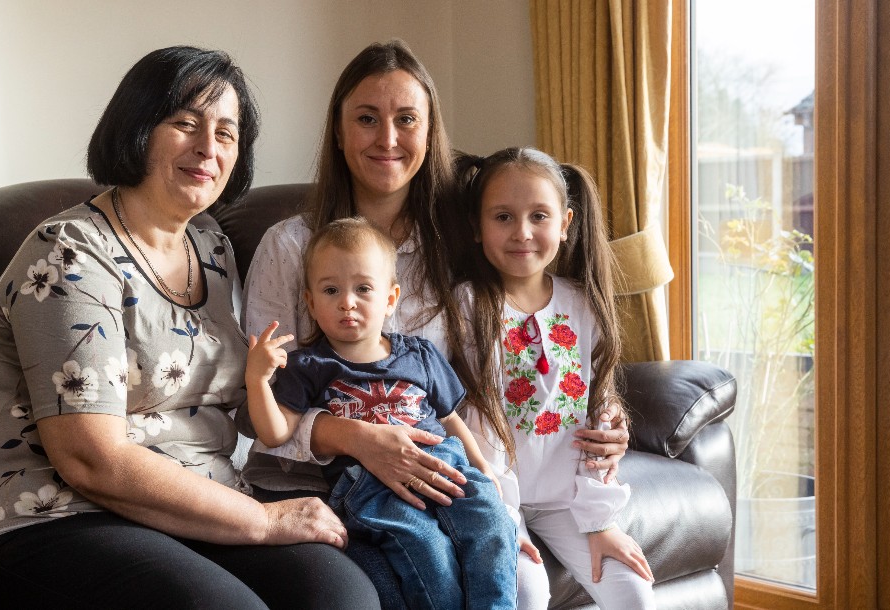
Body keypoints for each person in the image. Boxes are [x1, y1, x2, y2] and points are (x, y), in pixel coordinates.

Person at [0, 46, 379, 610]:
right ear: (137, 129)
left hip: (200, 506)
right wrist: (259, 520)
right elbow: (90, 460)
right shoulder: (69, 254)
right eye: (185, 123)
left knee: (340, 595)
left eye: (227, 133)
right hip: (54, 514)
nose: (208, 147)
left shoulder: (213, 248)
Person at [239, 38, 631, 606]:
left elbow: (549, 323)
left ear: (429, 130)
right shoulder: (289, 245)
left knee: (512, 577)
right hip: (322, 483)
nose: (387, 139)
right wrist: (360, 439)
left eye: (406, 120)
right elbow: (263, 406)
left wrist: (605, 407)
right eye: (367, 119)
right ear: (339, 128)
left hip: (448, 468)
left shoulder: (464, 241)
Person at [246, 217, 517, 609]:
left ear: (390, 299)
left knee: (492, 524)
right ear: (310, 302)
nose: (347, 302)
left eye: (363, 289)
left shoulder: (420, 355)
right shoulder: (309, 366)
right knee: (427, 550)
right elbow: (275, 433)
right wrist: (257, 380)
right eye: (331, 290)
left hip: (445, 465)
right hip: (368, 486)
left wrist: (483, 468)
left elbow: (450, 420)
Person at [455, 147, 655, 609]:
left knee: (635, 593)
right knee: (526, 591)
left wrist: (600, 522)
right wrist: (500, 519)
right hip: (492, 495)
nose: (522, 232)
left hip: (568, 497)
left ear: (565, 225)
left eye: (538, 216)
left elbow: (598, 417)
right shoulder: (462, 307)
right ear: (476, 228)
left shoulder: (584, 305)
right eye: (503, 216)